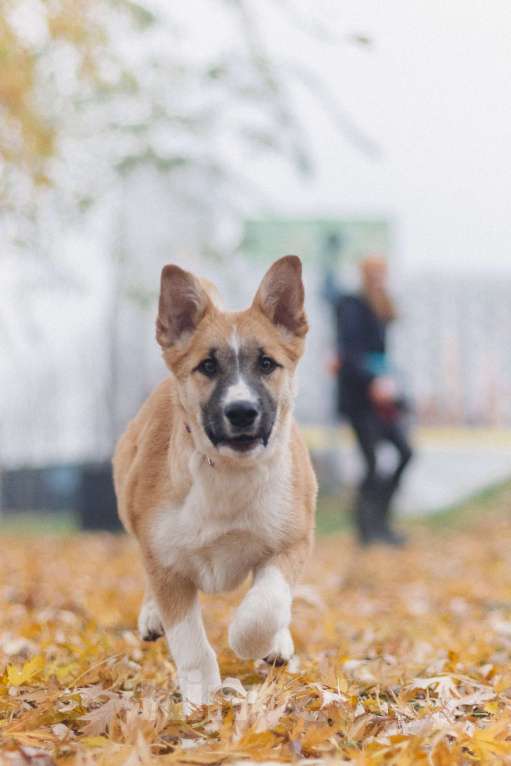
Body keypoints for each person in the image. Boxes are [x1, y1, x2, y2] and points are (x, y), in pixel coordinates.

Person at [334, 256, 413, 546]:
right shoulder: (352, 306)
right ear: (365, 274)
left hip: (384, 399)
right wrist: (372, 381)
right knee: (371, 462)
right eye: (375, 272)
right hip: (360, 400)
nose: (381, 277)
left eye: (384, 272)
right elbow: (349, 354)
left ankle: (381, 519)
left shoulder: (383, 305)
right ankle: (368, 530)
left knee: (405, 452)